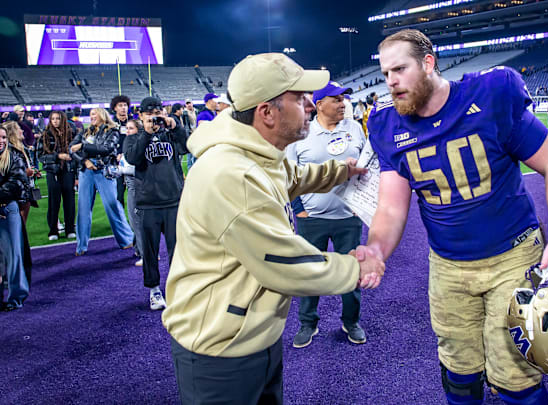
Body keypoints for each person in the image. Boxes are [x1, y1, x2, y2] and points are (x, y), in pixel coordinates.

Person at [359, 29, 548, 404]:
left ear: (428, 63)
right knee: (458, 373)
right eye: (385, 74)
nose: (391, 82)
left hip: (513, 255)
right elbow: (392, 205)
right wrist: (376, 250)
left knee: (515, 376)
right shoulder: (388, 126)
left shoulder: (489, 96)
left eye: (399, 69)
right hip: (447, 265)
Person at [162, 53, 383, 405]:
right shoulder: (231, 173)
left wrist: (341, 170)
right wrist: (357, 267)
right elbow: (283, 262)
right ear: (266, 112)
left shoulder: (255, 153)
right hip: (221, 351)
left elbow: (292, 177)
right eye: (299, 97)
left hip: (250, 334)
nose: (310, 104)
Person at [287, 81, 367, 348]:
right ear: (319, 104)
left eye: (344, 99)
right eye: (336, 99)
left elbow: (368, 166)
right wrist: (300, 210)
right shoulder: (300, 133)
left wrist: (365, 204)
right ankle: (308, 323)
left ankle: (351, 321)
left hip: (349, 217)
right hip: (312, 219)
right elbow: (288, 175)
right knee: (310, 274)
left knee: (351, 273)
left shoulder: (355, 128)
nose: (343, 103)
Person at [124, 97, 187, 310]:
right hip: (148, 203)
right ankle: (154, 291)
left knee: (178, 250)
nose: (153, 116)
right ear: (141, 116)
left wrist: (175, 125)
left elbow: (188, 145)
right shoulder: (133, 137)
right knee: (150, 252)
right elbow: (133, 158)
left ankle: (178, 289)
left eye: (157, 111)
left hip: (173, 201)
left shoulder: (170, 133)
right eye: (148, 112)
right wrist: (146, 134)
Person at [70, 107, 134, 256]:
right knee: (83, 209)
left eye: (94, 114)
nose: (91, 116)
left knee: (112, 205)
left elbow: (107, 148)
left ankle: (126, 239)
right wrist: (84, 160)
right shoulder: (85, 132)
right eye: (90, 114)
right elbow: (71, 149)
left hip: (104, 170)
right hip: (86, 171)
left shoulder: (112, 130)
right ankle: (81, 246)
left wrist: (84, 146)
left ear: (102, 115)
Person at [0, 124, 30, 311]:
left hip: (7, 210)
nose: (1, 141)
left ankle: (15, 297)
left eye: (3, 137)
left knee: (14, 255)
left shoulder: (14, 157)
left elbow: (17, 184)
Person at [37, 111, 77, 240]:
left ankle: (70, 228)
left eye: (58, 118)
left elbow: (77, 155)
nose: (55, 121)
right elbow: (40, 156)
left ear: (63, 120)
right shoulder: (45, 136)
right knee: (54, 201)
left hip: (68, 170)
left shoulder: (71, 134)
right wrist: (57, 156)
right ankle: (53, 230)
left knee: (69, 201)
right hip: (52, 172)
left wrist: (76, 174)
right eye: (53, 119)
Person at [121, 119, 144, 267]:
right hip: (133, 185)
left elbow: (132, 167)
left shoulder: (136, 143)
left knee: (136, 221)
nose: (128, 131)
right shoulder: (134, 142)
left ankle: (146, 254)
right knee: (135, 220)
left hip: (136, 185)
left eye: (131, 128)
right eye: (127, 128)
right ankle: (138, 249)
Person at [111, 95, 131, 208]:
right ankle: (120, 221)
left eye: (125, 105)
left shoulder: (133, 122)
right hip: (116, 162)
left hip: (132, 160)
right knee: (119, 192)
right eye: (120, 105)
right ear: (115, 108)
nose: (123, 108)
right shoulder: (111, 124)